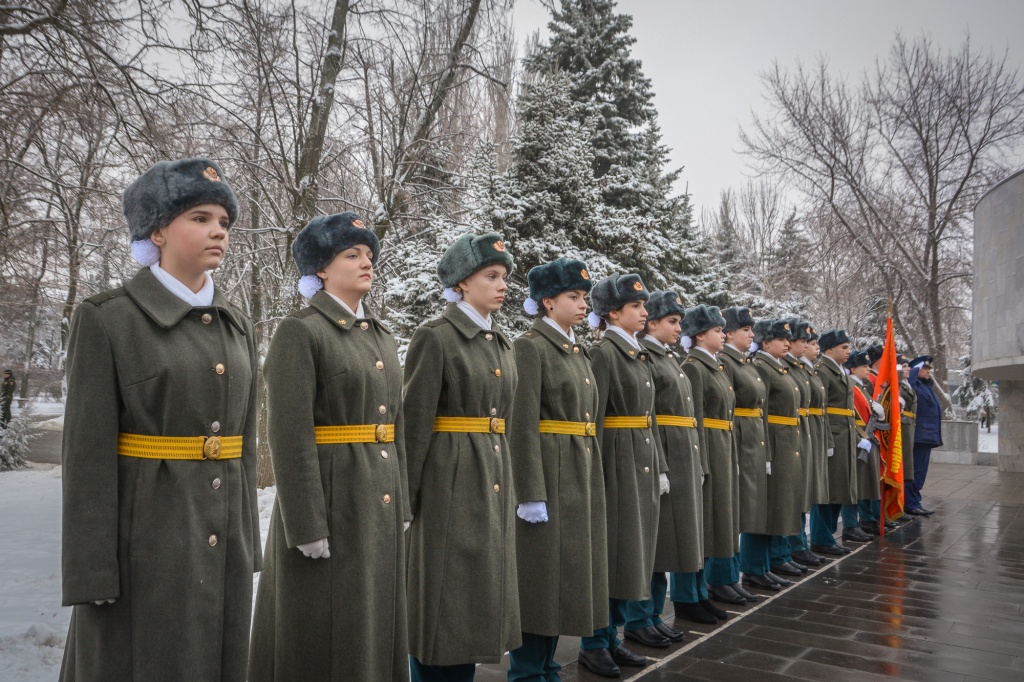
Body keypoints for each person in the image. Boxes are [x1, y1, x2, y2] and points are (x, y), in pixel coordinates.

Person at [60, 158, 262, 681]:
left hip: (222, 550)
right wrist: (91, 572)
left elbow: (242, 442)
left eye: (223, 220)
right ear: (156, 230)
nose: (218, 230)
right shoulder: (109, 319)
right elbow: (86, 456)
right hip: (145, 547)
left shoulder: (237, 326)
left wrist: (245, 546)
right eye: (199, 218)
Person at [249, 213, 410, 681]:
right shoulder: (302, 331)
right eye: (351, 254)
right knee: (321, 629)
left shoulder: (380, 334)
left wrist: (399, 497)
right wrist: (305, 522)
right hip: (332, 501)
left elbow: (390, 424)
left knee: (371, 621)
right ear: (321, 268)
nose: (367, 263)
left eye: (368, 255)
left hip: (374, 497)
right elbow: (289, 432)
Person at [403, 232, 520, 681]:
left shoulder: (501, 343)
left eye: (504, 276)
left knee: (474, 602)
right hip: (446, 482)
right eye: (491, 275)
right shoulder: (436, 337)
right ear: (461, 283)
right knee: (443, 601)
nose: (502, 284)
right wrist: (407, 499)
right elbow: (414, 424)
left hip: (490, 474)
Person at [507, 258, 608, 682]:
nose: (583, 304)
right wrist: (530, 490)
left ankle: (547, 665)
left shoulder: (575, 349)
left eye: (584, 297)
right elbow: (522, 422)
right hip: (550, 469)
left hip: (579, 467)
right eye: (573, 297)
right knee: (541, 576)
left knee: (566, 575)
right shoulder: (530, 346)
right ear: (548, 302)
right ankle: (528, 670)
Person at [578, 273, 660, 678]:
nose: (645, 312)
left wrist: (658, 465)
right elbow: (594, 418)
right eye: (636, 307)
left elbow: (650, 419)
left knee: (630, 552)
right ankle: (595, 641)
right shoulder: (605, 353)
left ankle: (613, 636)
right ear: (613, 313)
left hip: (638, 459)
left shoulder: (636, 351)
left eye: (643, 306)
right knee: (611, 552)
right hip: (614, 461)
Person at [622, 291, 703, 647]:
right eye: (672, 321)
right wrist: (660, 463)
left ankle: (652, 615)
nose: (678, 328)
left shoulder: (665, 357)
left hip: (672, 450)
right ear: (652, 323)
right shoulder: (648, 357)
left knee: (666, 541)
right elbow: (646, 414)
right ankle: (639, 617)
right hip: (655, 451)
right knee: (654, 543)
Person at [676, 305, 737, 625]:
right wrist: (700, 461)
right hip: (706, 450)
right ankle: (688, 594)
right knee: (698, 526)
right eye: (717, 330)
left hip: (722, 448)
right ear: (700, 334)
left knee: (712, 524)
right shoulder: (695, 367)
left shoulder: (715, 365)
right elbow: (695, 419)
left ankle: (700, 591)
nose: (723, 335)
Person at [718, 307, 771, 599]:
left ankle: (739, 572)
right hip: (737, 437)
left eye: (752, 329)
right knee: (732, 513)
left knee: (747, 508)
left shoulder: (744, 362)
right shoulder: (725, 362)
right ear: (728, 333)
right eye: (745, 330)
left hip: (752, 437)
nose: (752, 334)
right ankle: (723, 576)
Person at [751, 320, 806, 580]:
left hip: (786, 439)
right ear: (765, 343)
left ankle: (777, 557)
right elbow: (760, 410)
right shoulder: (762, 367)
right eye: (780, 339)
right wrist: (767, 453)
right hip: (772, 438)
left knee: (784, 501)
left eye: (788, 339)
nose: (787, 343)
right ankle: (766, 562)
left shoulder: (779, 367)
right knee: (773, 503)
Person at [809, 329, 858, 557]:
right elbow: (821, 408)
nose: (848, 351)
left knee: (839, 488)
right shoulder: (822, 371)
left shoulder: (839, 371)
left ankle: (828, 535)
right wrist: (826, 439)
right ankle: (820, 538)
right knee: (826, 490)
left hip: (845, 434)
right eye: (844, 347)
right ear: (830, 350)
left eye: (848, 347)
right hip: (833, 434)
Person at [840, 351, 880, 541]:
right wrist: (860, 438)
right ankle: (851, 524)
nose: (867, 369)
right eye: (863, 366)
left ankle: (861, 521)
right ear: (853, 368)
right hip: (858, 438)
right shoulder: (853, 387)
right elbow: (852, 416)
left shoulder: (861, 387)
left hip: (866, 436)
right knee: (854, 485)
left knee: (863, 484)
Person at [906, 355, 941, 516]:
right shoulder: (914, 384)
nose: (928, 371)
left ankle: (915, 501)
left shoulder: (926, 385)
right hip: (919, 435)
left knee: (920, 472)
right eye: (924, 368)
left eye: (929, 369)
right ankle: (910, 503)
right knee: (915, 471)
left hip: (927, 435)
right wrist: (913, 371)